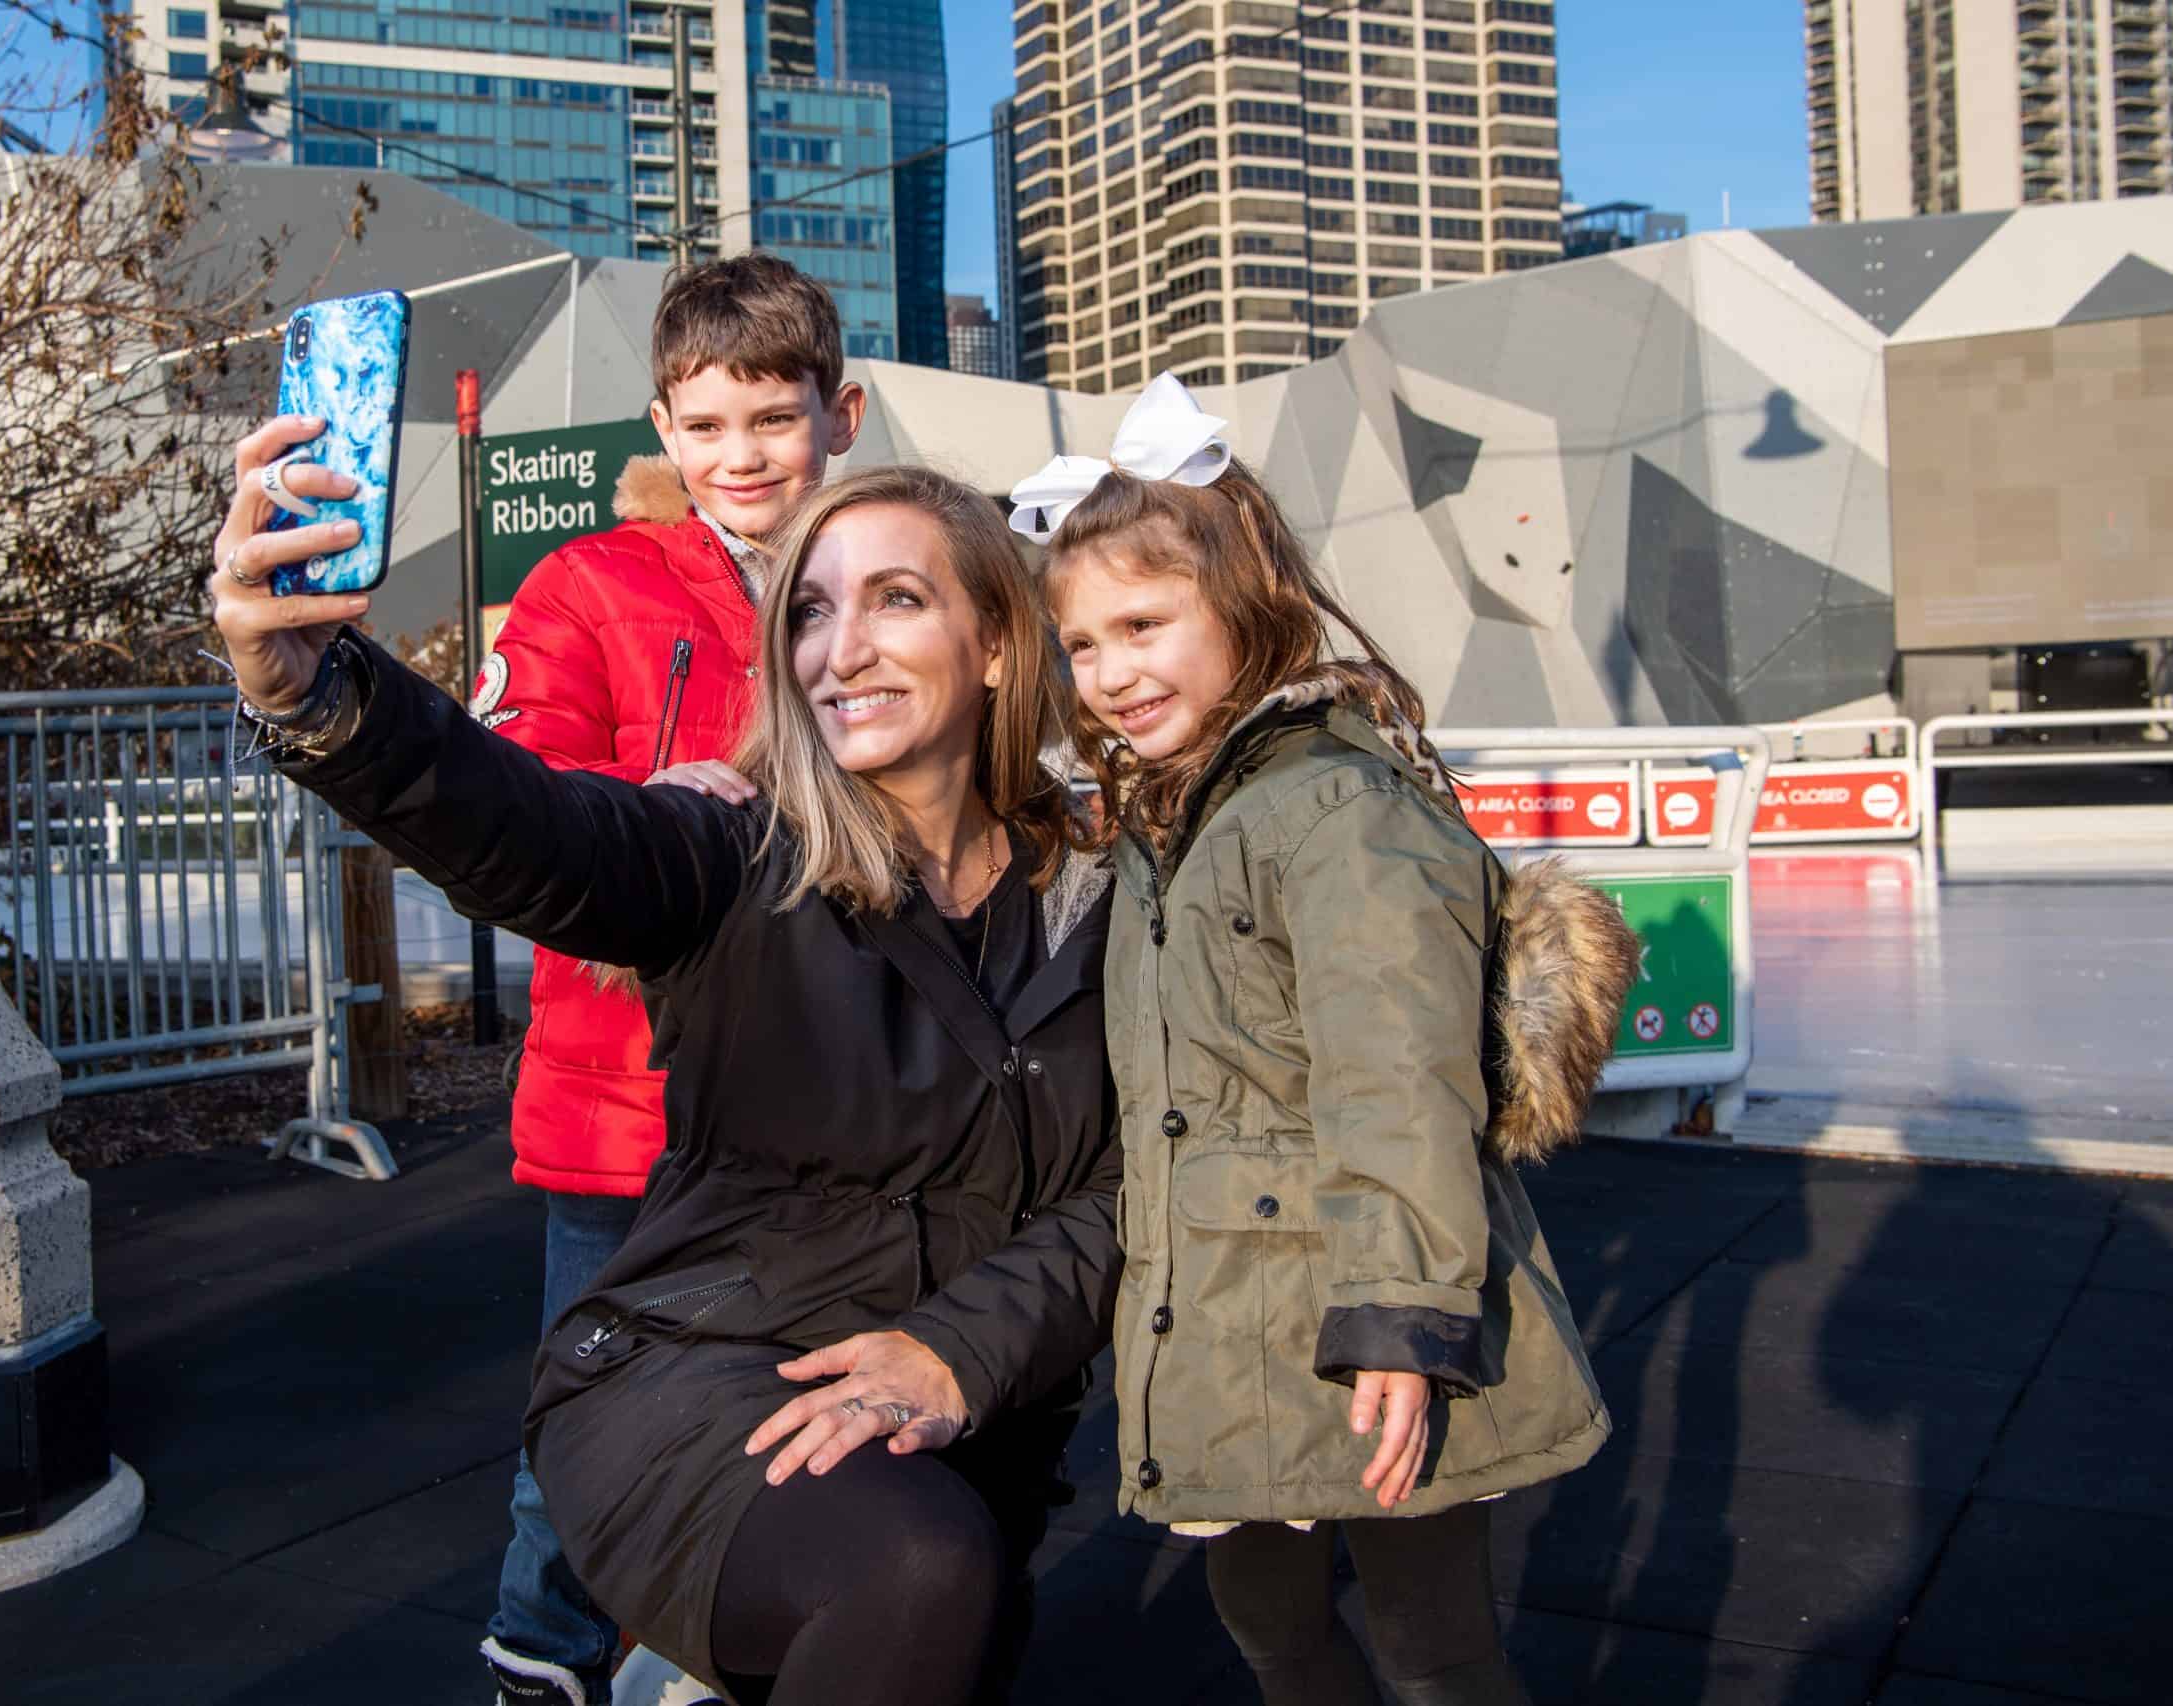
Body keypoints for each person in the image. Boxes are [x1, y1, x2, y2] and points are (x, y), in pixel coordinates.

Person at [206, 456, 1120, 1706]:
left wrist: (961, 1348)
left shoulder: (1105, 893)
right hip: (701, 1373)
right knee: (916, 1570)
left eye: (896, 599)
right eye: (807, 609)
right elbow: (531, 827)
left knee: (939, 1600)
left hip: (955, 1409)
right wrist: (321, 695)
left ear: (1002, 644)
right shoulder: (735, 847)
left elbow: (1136, 1184)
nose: (839, 649)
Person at [1010, 375, 1636, 1706]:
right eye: (1082, 642)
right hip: (1228, 1310)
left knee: (1433, 1646)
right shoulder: (1175, 821)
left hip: (1357, 1311)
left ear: (1242, 602)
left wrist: (1405, 1319)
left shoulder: (1335, 809)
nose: (1111, 672)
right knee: (1270, 1630)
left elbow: (1394, 1081)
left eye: (1142, 624)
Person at [462, 254, 864, 1706]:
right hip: (630, 1099)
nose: (741, 454)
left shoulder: (889, 579)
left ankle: (738, 1643)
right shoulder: (593, 583)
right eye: (705, 425)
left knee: (812, 1409)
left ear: (844, 412)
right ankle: (542, 1658)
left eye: (773, 415)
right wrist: (647, 808)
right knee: (590, 1413)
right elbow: (518, 802)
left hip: (842, 1100)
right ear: (662, 427)